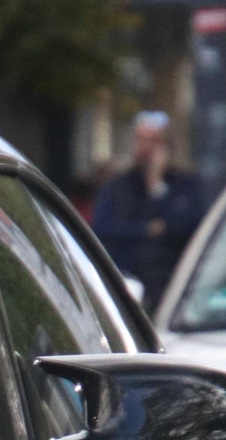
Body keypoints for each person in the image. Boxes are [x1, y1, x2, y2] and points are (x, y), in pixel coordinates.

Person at [92, 111, 204, 305]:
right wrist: (146, 229)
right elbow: (103, 227)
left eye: (154, 141)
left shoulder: (183, 185)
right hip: (126, 284)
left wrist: (156, 187)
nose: (146, 148)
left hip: (170, 287)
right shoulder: (119, 186)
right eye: (141, 140)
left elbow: (185, 225)